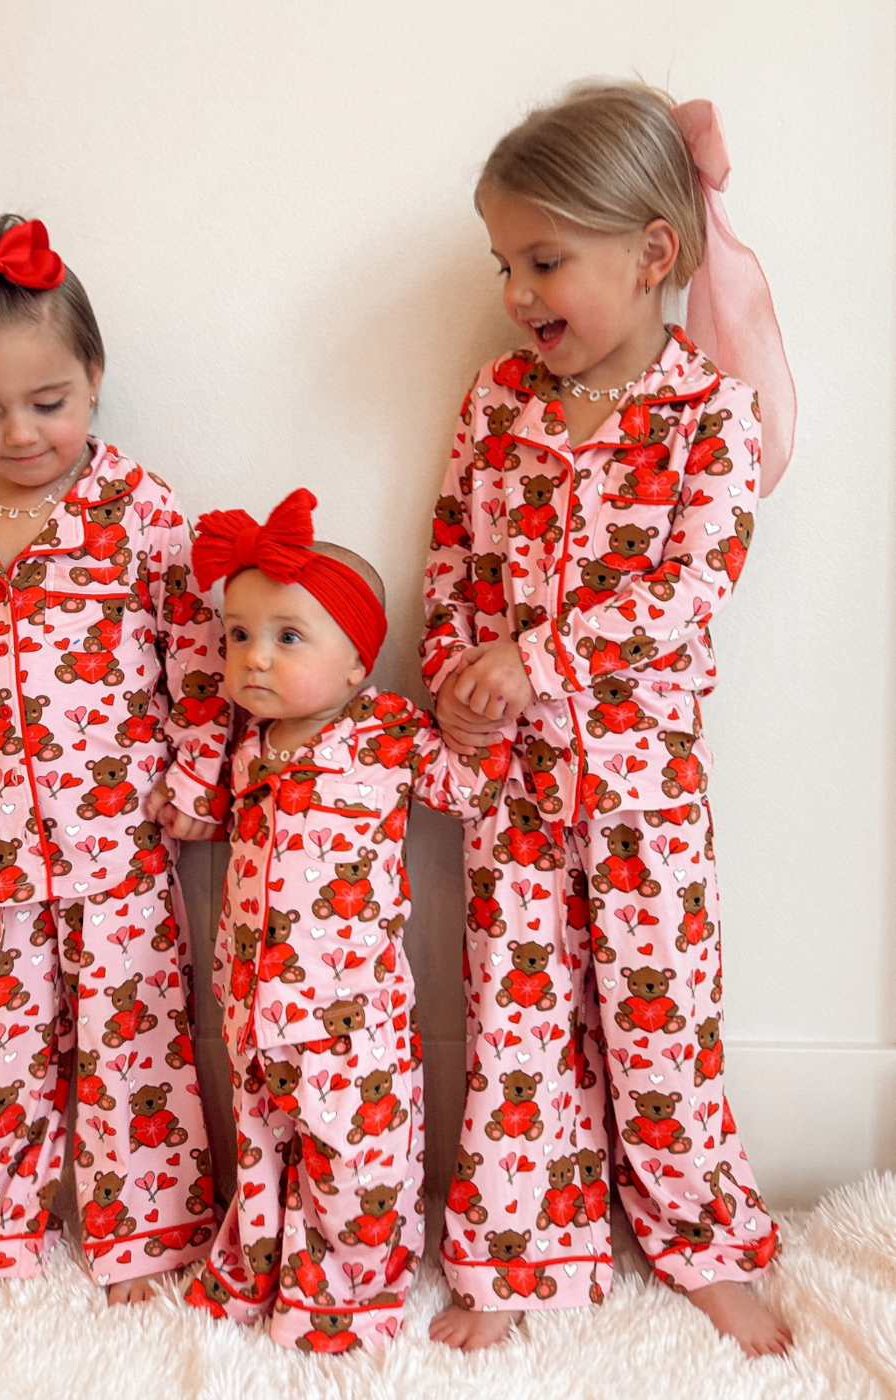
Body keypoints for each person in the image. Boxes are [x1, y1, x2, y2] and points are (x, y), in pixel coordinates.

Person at [420, 82, 796, 1356]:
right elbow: (452, 557)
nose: (517, 292)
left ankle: (707, 1243)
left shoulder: (713, 415)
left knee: (661, 1017)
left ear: (651, 254)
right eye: (504, 264)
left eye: (543, 261)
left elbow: (689, 588)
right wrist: (456, 682)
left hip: (643, 790)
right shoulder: (497, 404)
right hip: (514, 787)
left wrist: (538, 659)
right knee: (515, 1018)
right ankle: (515, 1250)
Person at [0, 215, 230, 1306]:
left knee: (134, 1036)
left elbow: (198, 661)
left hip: (119, 840)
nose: (19, 432)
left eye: (48, 401)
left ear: (93, 376)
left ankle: (148, 1230)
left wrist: (197, 777)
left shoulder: (141, 511)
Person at [152, 488, 508, 1350]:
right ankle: (256, 1264)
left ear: (356, 664)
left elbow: (464, 790)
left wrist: (476, 722)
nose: (254, 659)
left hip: (350, 1014)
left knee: (355, 1160)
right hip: (253, 1007)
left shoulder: (384, 730)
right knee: (263, 1147)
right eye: (239, 636)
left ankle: (349, 1292)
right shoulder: (246, 747)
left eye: (288, 638)